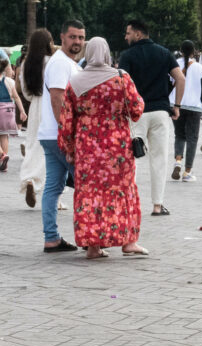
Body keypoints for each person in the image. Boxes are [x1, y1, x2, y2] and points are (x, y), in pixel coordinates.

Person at [58, 37, 148, 260]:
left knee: (89, 194)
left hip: (87, 147)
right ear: (107, 54)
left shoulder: (76, 82)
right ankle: (129, 242)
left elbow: (66, 120)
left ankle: (93, 247)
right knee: (123, 191)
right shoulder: (121, 78)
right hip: (117, 147)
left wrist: (68, 147)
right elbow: (137, 109)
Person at [118, 19, 186, 216]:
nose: (126, 37)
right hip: (160, 112)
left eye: (128, 33)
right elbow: (180, 78)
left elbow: (121, 84)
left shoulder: (127, 56)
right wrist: (177, 105)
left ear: (138, 34)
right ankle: (157, 205)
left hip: (136, 114)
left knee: (131, 159)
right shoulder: (164, 53)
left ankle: (128, 203)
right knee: (159, 159)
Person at [39, 20, 85, 253]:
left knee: (54, 187)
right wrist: (68, 135)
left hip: (51, 133)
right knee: (84, 184)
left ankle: (52, 238)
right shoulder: (60, 64)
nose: (77, 41)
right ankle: (88, 237)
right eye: (73, 37)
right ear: (62, 37)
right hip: (59, 135)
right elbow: (57, 99)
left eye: (81, 37)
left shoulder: (67, 63)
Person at [17, 29, 54, 207]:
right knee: (51, 150)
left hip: (35, 107)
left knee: (32, 146)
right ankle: (53, 192)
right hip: (51, 106)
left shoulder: (26, 63)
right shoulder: (51, 62)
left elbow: (25, 92)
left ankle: (29, 179)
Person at [171, 40, 202, 182]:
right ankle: (187, 172)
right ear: (194, 51)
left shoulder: (175, 64)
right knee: (192, 139)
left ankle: (177, 161)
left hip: (177, 105)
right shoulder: (199, 68)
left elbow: (169, 83)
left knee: (179, 135)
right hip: (194, 107)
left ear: (180, 51)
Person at [0, 59, 27, 172]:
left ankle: (2, 155)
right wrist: (22, 111)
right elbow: (16, 97)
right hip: (9, 110)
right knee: (4, 136)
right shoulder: (10, 81)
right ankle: (3, 163)